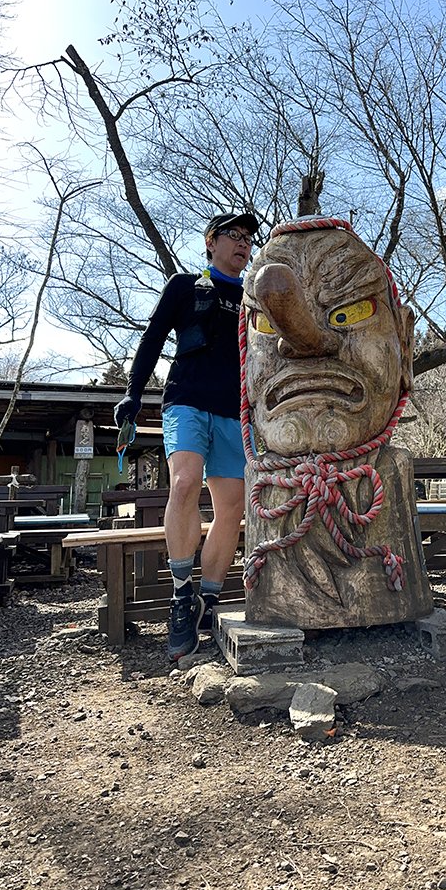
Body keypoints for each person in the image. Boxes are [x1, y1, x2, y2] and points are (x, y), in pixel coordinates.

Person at [114, 211, 259, 660]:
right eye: (234, 235)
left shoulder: (259, 299)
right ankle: (181, 593)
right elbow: (152, 339)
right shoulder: (185, 286)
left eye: (249, 239)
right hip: (186, 402)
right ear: (211, 242)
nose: (244, 244)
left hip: (236, 414)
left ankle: (208, 600)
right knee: (183, 483)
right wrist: (133, 395)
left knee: (232, 508)